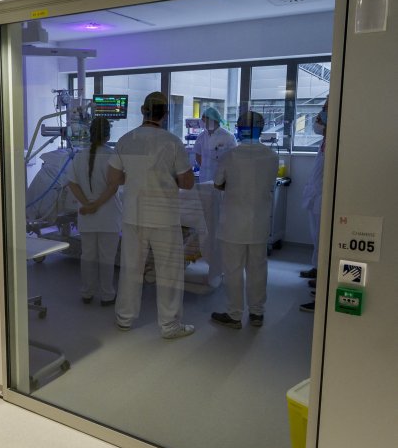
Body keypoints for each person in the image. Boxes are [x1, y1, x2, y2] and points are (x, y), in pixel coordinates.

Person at [95, 92, 196, 339]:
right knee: (169, 271)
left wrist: (137, 177)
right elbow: (187, 182)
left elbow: (114, 179)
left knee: (131, 269)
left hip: (133, 215)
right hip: (164, 217)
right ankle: (170, 325)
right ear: (165, 114)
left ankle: (124, 319)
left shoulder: (125, 140)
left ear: (143, 110)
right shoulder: (172, 142)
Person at [210, 111, 279, 328]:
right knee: (258, 268)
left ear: (239, 129)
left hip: (233, 224)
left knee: (233, 270)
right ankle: (257, 313)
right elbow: (268, 184)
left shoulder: (230, 156)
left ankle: (235, 314)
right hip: (258, 223)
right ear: (261, 128)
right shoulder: (271, 156)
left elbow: (218, 183)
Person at [67, 117, 122, 305]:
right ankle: (107, 295)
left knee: (88, 255)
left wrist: (87, 204)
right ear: (108, 135)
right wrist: (97, 205)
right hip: (108, 214)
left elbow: (72, 183)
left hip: (86, 214)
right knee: (107, 258)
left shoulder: (79, 156)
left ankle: (87, 293)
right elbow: (114, 186)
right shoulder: (112, 155)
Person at [299, 97, 329, 313]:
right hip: (317, 195)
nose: (319, 116)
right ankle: (317, 272)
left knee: (323, 239)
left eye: (324, 110)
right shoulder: (325, 140)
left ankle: (322, 289)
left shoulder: (337, 139)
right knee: (316, 236)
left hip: (323, 198)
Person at [193, 107, 236, 184]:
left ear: (213, 120)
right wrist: (206, 168)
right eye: (202, 120)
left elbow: (234, 159)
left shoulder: (228, 137)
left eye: (205, 120)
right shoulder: (201, 136)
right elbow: (198, 155)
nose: (203, 123)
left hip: (222, 180)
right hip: (204, 178)